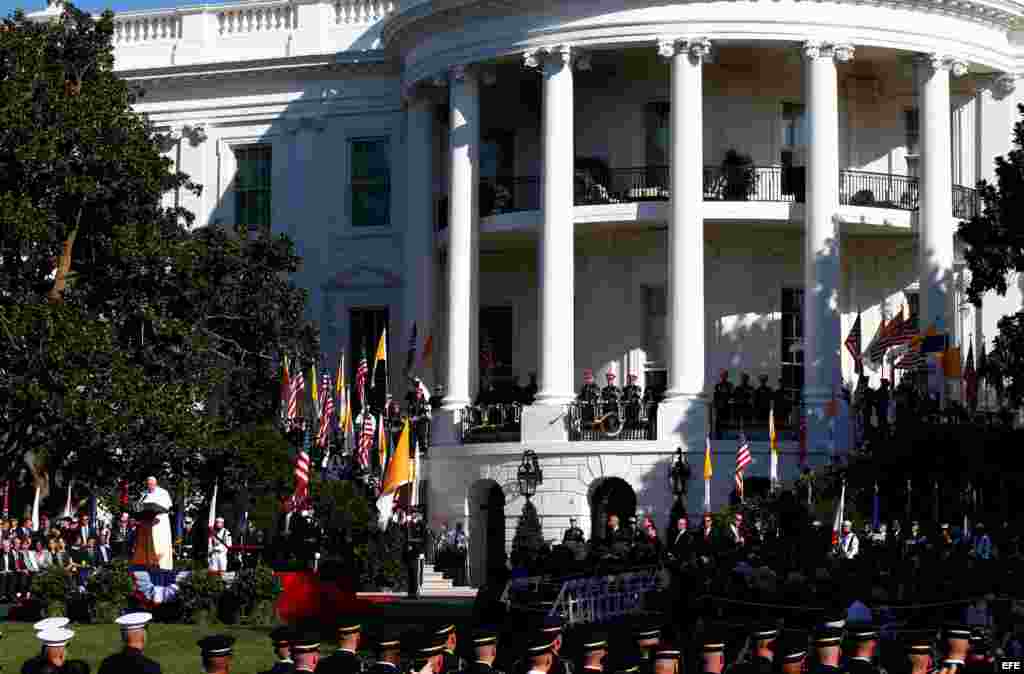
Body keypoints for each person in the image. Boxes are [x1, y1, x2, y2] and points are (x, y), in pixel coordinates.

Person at [134, 477, 174, 570]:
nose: (150, 486)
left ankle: (162, 566)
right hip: (147, 524)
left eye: (152, 484)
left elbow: (166, 507)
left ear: (156, 483)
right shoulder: (144, 494)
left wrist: (153, 509)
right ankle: (148, 564)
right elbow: (138, 507)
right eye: (148, 484)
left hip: (160, 523)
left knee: (159, 545)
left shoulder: (163, 493)